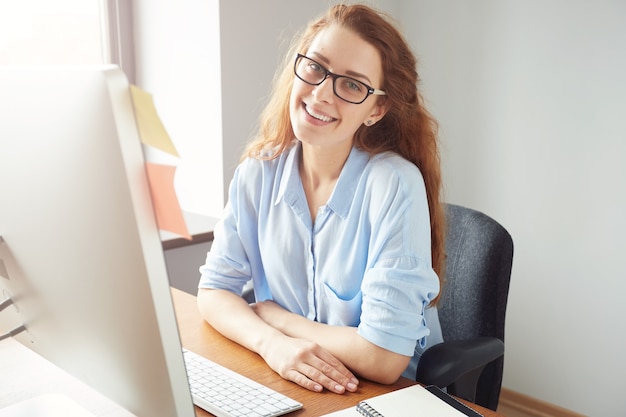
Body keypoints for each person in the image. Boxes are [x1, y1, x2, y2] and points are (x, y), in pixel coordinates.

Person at [197, 3, 445, 395]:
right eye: (316, 67)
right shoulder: (258, 173)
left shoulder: (394, 184)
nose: (322, 93)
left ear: (376, 109)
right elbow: (213, 292)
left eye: (352, 85)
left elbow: (383, 358)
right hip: (295, 383)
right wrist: (272, 344)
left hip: (385, 396)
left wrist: (278, 319)